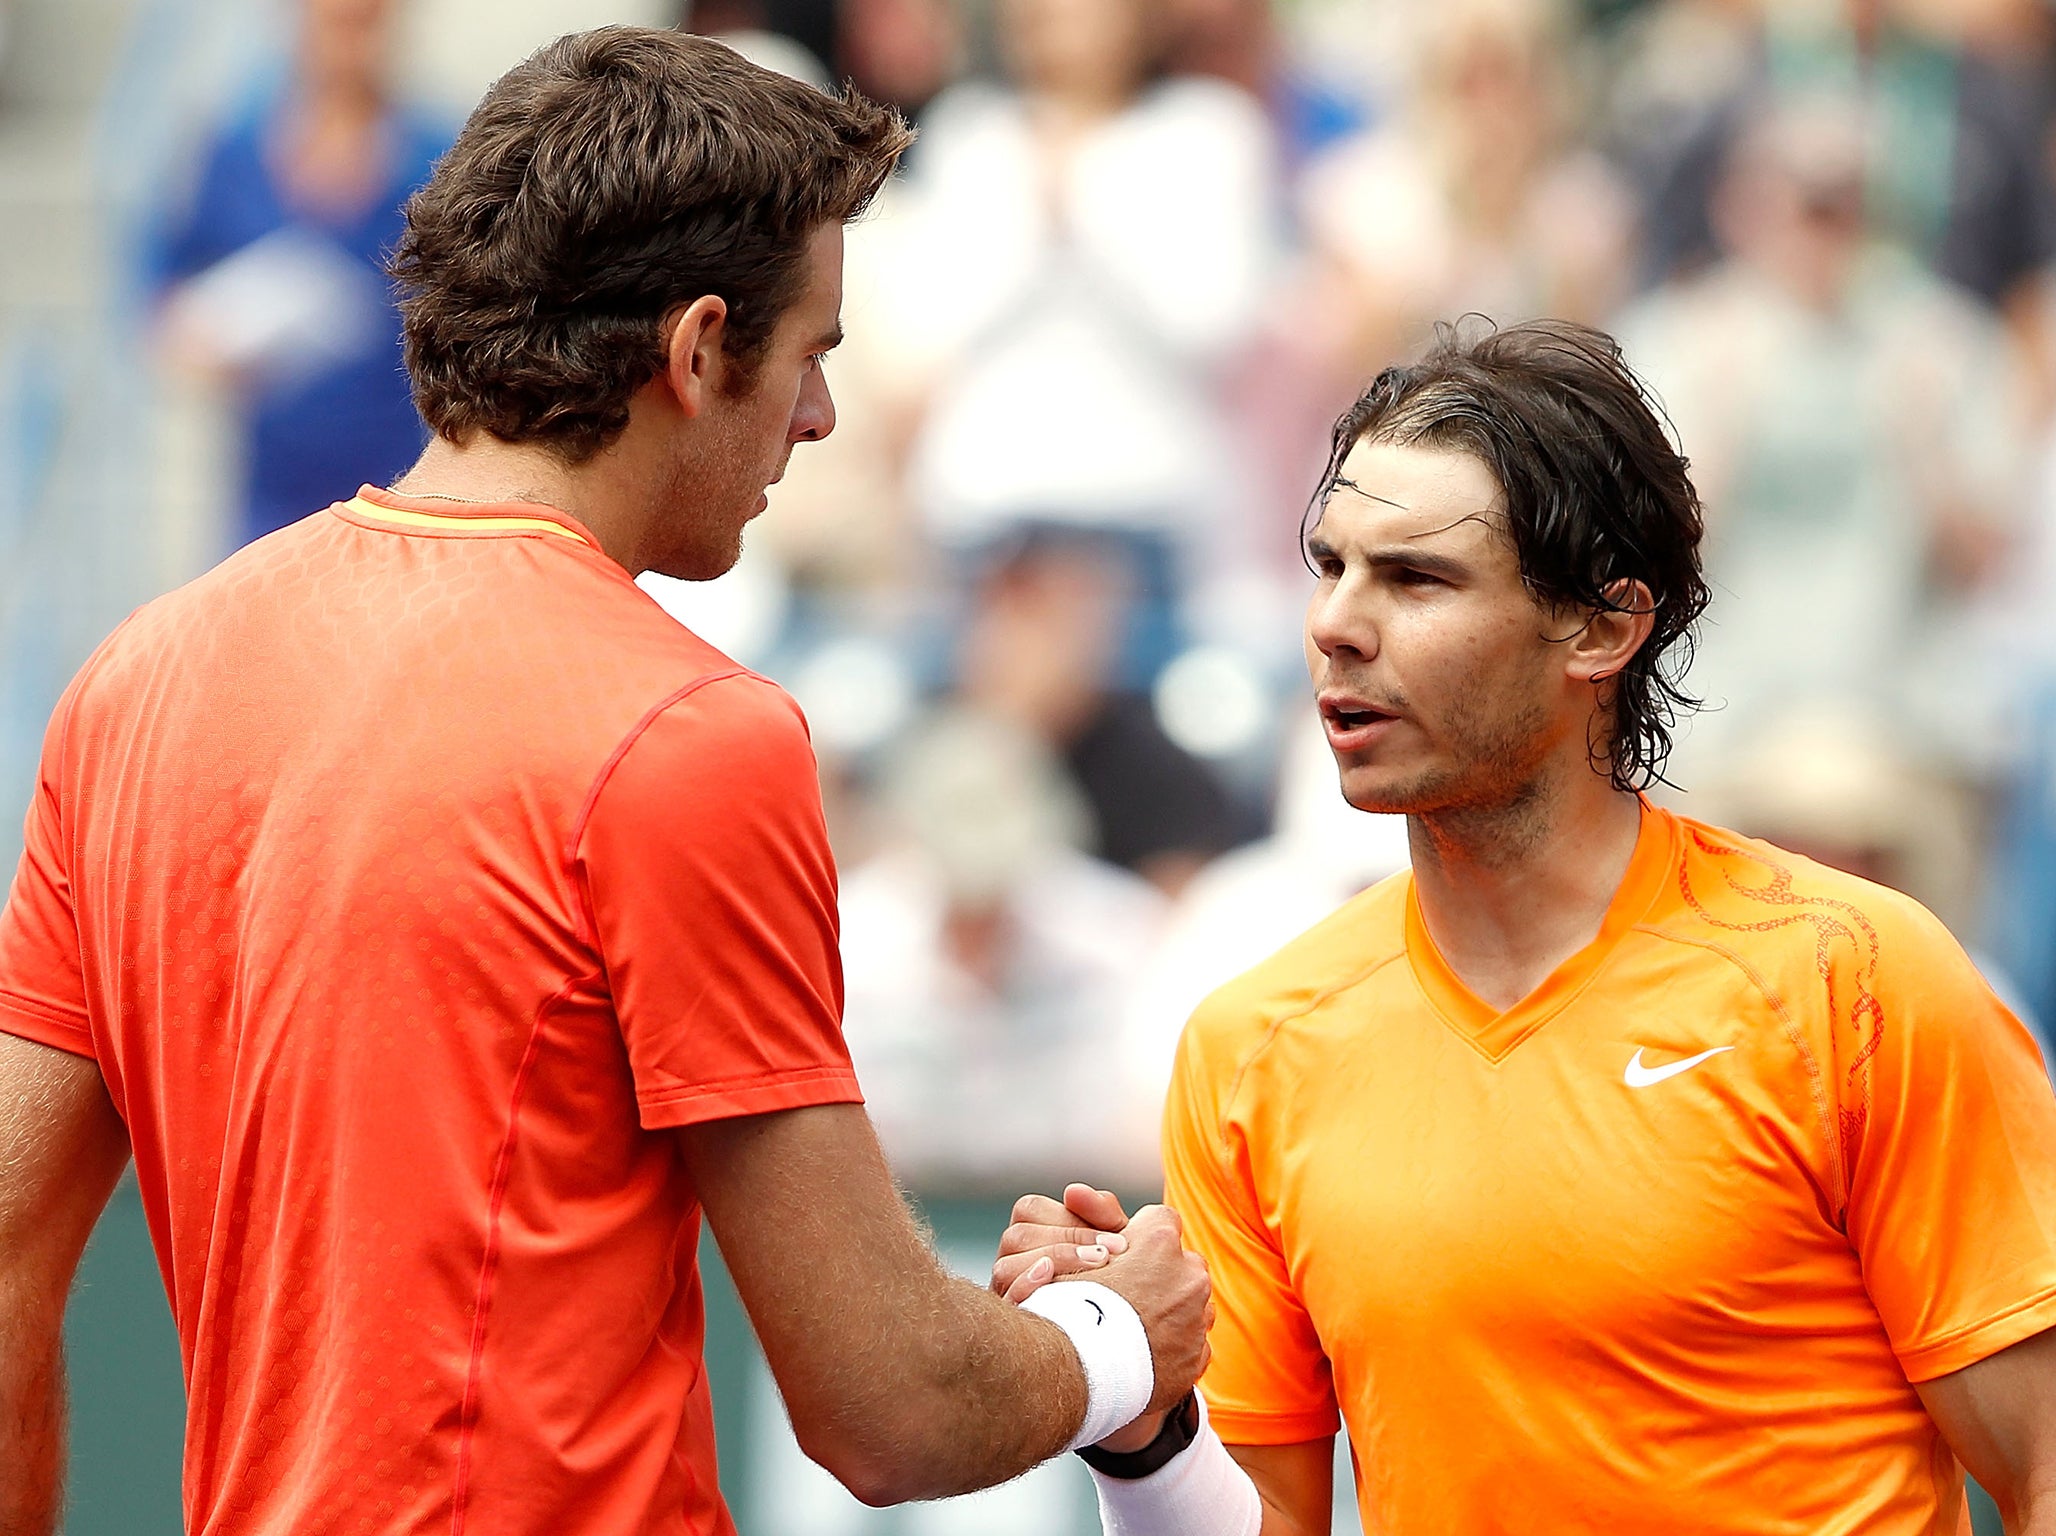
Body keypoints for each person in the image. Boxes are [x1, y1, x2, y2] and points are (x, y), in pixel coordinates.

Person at [0, 30, 1212, 1536]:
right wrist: (1123, 1340)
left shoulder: (131, 682)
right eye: (812, 354)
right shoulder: (693, 732)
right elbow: (888, 1403)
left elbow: (5, 1257)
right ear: (699, 351)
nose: (820, 418)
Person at [994, 320, 2056, 1535]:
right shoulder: (1249, 1045)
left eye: (1416, 578)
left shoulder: (1859, 979)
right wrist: (1144, 1428)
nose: (1337, 624)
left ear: (1603, 628)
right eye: (1330, 567)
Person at [150, 0, 451, 550]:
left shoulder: (437, 158)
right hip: (271, 497)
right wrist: (208, 340)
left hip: (400, 491)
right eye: (334, 22)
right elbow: (165, 292)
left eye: (366, 22)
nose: (349, 43)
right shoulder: (235, 154)